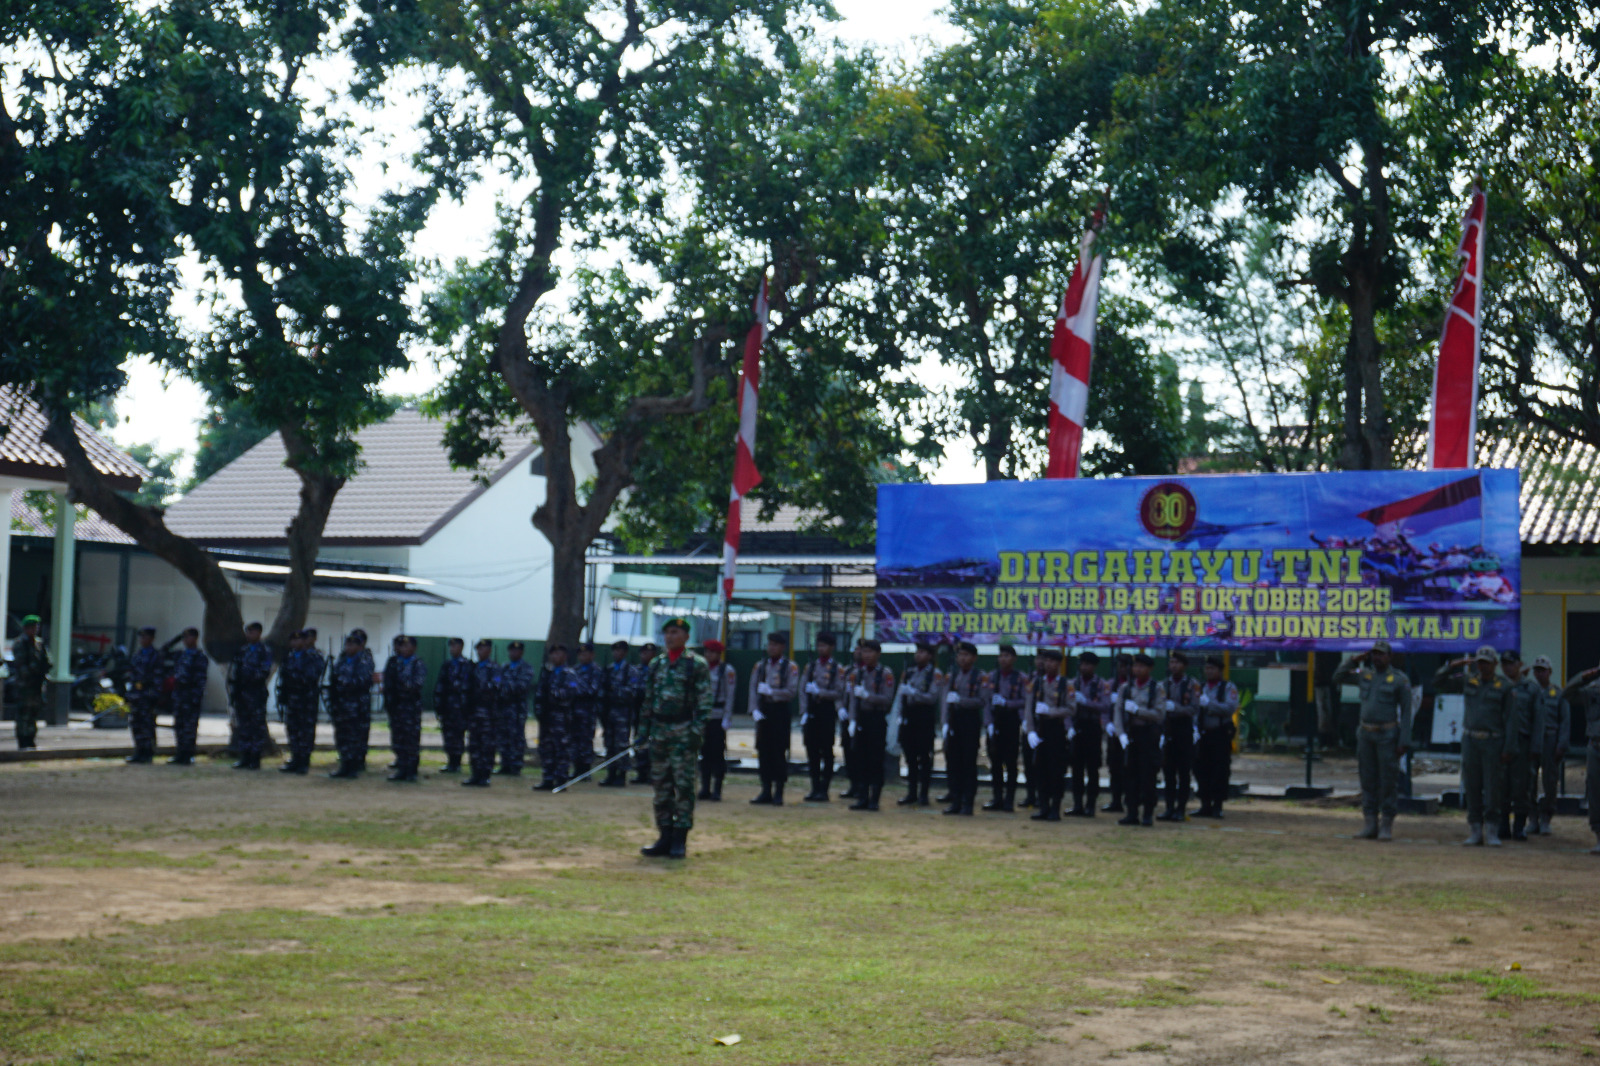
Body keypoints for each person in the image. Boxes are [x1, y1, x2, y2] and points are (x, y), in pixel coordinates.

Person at [638, 617, 712, 860]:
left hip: (682, 732)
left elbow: (704, 703)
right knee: (661, 786)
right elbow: (648, 700)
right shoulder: (657, 664)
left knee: (684, 786)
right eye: (667, 632)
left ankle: (680, 839)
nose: (669, 637)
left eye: (675, 632)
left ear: (686, 636)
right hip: (659, 732)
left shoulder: (696, 665)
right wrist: (642, 732)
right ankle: (664, 836)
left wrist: (695, 731)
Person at [1331, 640, 1413, 840]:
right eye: (1374, 654)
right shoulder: (1365, 675)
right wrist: (1353, 660)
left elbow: (1407, 712)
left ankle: (1386, 824)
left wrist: (1404, 741)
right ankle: (1369, 823)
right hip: (1366, 734)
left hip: (1387, 734)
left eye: (1381, 654)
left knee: (1387, 780)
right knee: (1367, 779)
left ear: (1389, 657)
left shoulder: (1399, 680)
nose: (1377, 658)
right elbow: (1337, 677)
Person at [1435, 646, 1513, 846]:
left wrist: (1508, 748)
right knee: (1472, 786)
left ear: (1494, 664)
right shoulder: (1469, 680)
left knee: (1493, 787)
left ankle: (1492, 830)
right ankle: (1475, 830)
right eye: (1479, 662)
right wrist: (1453, 665)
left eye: (1486, 662)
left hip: (1493, 741)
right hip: (1471, 740)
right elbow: (1438, 682)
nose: (1482, 666)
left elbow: (1511, 720)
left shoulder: (1504, 686)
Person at [1114, 653, 1164, 827]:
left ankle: (1148, 814)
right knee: (1130, 775)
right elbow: (1118, 712)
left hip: (1148, 735)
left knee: (1148, 776)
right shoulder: (1126, 688)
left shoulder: (1156, 688)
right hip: (1131, 735)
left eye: (1142, 666)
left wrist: (1138, 711)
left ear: (1149, 669)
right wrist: (1120, 734)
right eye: (1135, 666)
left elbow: (1159, 714)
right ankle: (1132, 812)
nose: (1137, 669)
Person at [847, 639, 896, 811]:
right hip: (861, 718)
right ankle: (862, 796)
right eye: (864, 652)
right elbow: (853, 699)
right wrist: (852, 720)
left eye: (870, 652)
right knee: (860, 759)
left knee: (875, 759)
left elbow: (887, 699)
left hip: (876, 718)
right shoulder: (857, 673)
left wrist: (868, 696)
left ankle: (875, 798)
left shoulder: (885, 673)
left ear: (878, 654)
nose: (866, 655)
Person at [748, 632, 797, 806]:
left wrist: (772, 692)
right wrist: (753, 709)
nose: (771, 648)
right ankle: (765, 789)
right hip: (763, 710)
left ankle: (779, 791)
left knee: (778, 751)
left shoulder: (789, 667)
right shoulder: (760, 666)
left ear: (782, 647)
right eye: (770, 644)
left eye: (775, 645)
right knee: (763, 751)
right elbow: (752, 688)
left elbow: (791, 691)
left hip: (780, 711)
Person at [799, 632, 849, 802]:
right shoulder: (811, 667)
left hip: (827, 711)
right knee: (811, 750)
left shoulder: (837, 668)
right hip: (812, 710)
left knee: (826, 750)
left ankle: (824, 788)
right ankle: (814, 787)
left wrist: (820, 692)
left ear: (831, 647)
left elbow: (838, 691)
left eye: (824, 646)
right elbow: (802, 690)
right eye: (819, 645)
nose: (821, 649)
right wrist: (804, 711)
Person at [1023, 647, 1069, 821]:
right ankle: (1043, 806)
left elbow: (1071, 709)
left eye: (1052, 661)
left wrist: (1051, 711)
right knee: (1040, 769)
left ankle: (1055, 807)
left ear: (1058, 664)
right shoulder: (1036, 682)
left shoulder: (1065, 684)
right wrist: (1030, 731)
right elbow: (1029, 707)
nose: (1047, 664)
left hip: (1055, 729)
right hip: (1039, 729)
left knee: (1056, 770)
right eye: (1046, 660)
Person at [940, 641, 986, 816]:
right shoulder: (951, 676)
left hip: (970, 720)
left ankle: (968, 802)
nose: (962, 658)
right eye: (960, 655)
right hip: (954, 720)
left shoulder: (979, 676)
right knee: (953, 762)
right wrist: (944, 722)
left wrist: (961, 701)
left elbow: (982, 700)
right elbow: (945, 701)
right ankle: (955, 800)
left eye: (966, 655)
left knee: (968, 762)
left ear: (973, 658)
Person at [897, 642, 945, 807]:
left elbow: (932, 697)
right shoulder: (909, 672)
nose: (918, 655)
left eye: (923, 652)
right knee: (910, 756)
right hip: (909, 716)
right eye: (918, 651)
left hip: (924, 717)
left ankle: (923, 794)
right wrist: (900, 715)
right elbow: (902, 698)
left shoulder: (934, 674)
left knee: (924, 757)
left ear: (930, 656)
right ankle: (911, 792)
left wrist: (914, 693)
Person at [1193, 655, 1240, 819]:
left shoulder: (1228, 687)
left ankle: (1217, 806)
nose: (1209, 671)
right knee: (1201, 769)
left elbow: (1230, 708)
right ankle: (1205, 804)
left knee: (1220, 770)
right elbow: (1194, 708)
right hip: (1203, 733)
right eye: (1207, 668)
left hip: (1220, 733)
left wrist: (1210, 705)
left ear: (1220, 670)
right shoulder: (1201, 687)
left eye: (1212, 668)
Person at [1527, 656, 1568, 836]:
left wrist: (1562, 744)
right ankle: (1532, 818)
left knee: (1550, 782)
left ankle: (1546, 818)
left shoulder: (1558, 694)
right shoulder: (1530, 691)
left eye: (1542, 670)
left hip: (1551, 740)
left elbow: (1565, 721)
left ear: (1549, 672)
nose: (1539, 673)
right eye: (1536, 670)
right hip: (1532, 740)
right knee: (1529, 781)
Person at [983, 644, 1027, 812]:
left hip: (1011, 721)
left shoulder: (1020, 678)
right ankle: (997, 798)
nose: (1003, 659)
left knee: (1010, 762)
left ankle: (1009, 799)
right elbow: (986, 701)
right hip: (995, 721)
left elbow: (1025, 700)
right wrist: (989, 724)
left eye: (1007, 656)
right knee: (995, 762)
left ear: (1014, 658)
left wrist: (1007, 703)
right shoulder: (991, 677)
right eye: (1001, 655)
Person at [1500, 651, 1539, 841]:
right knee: (1501, 786)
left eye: (1511, 663)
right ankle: (1502, 826)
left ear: (1520, 664)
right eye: (1504, 664)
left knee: (1522, 787)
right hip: (1501, 744)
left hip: (1522, 743)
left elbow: (1538, 721)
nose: (1508, 667)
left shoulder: (1531, 689)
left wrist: (1535, 748)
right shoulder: (1499, 687)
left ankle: (1519, 827)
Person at [1067, 651, 1110, 817]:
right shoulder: (1073, 683)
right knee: (1076, 768)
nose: (1084, 667)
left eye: (1088, 664)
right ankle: (1077, 804)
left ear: (1094, 666)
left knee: (1093, 768)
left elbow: (1105, 706)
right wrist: (1069, 726)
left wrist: (1086, 702)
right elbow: (1066, 707)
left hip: (1092, 726)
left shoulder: (1101, 684)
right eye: (1082, 664)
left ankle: (1090, 804)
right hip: (1077, 726)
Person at [1563, 663, 1600, 854]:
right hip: (1595, 746)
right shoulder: (1593, 689)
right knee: (1594, 792)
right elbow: (1567, 694)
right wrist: (1585, 676)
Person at [1156, 651, 1197, 822]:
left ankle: (1181, 808)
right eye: (1171, 662)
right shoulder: (1163, 684)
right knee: (1169, 771)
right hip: (1169, 728)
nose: (1174, 666)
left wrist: (1176, 708)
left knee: (1184, 772)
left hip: (1184, 729)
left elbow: (1194, 708)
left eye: (1177, 663)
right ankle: (1169, 808)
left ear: (1184, 665)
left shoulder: (1191, 684)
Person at [229, 622, 274, 771]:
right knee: (244, 726)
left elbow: (264, 671)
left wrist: (249, 678)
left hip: (255, 694)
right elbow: (234, 671)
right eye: (247, 632)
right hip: (242, 694)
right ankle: (244, 757)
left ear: (259, 633)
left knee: (256, 727)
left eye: (252, 632)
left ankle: (255, 758)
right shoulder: (242, 651)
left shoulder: (265, 651)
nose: (249, 635)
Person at [383, 635, 427, 782]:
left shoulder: (417, 664)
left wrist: (401, 684)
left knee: (411, 741)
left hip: (410, 709)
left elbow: (416, 685)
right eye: (402, 646)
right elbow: (388, 683)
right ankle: (401, 769)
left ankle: (411, 771)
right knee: (398, 740)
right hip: (397, 707)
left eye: (407, 646)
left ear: (414, 648)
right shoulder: (395, 663)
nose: (403, 649)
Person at [698, 639, 736, 802]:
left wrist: (727, 718)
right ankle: (705, 787)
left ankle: (717, 789)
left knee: (717, 754)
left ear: (719, 654)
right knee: (703, 753)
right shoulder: (701, 668)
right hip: (702, 716)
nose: (709, 655)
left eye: (712, 652)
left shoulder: (726, 670)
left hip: (718, 716)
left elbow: (730, 695)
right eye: (707, 652)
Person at [278, 630, 321, 775]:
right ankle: (295, 759)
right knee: (292, 730)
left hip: (306, 700)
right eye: (293, 640)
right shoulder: (288, 657)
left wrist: (293, 679)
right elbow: (283, 678)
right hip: (292, 700)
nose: (295, 643)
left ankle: (304, 761)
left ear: (305, 641)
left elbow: (311, 676)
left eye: (299, 640)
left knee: (306, 732)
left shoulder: (314, 657)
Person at [533, 643, 573, 790]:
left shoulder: (569, 674)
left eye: (559, 653)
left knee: (561, 749)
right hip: (547, 717)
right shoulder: (547, 673)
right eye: (553, 654)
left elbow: (570, 692)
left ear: (565, 656)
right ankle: (547, 778)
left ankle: (561, 779)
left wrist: (553, 692)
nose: (555, 656)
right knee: (546, 748)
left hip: (561, 717)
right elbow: (539, 694)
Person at [462, 639, 501, 787]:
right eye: (478, 649)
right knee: (474, 744)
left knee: (487, 745)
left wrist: (480, 686)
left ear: (489, 651)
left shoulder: (494, 668)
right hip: (474, 712)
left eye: (483, 649)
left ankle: (485, 775)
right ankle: (475, 773)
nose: (480, 652)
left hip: (488, 713)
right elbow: (466, 687)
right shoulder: (473, 668)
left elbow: (495, 687)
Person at [167, 627, 209, 765]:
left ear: (195, 638)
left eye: (188, 637)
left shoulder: (200, 657)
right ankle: (179, 754)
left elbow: (201, 680)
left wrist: (196, 698)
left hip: (191, 697)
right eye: (184, 638)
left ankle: (189, 755)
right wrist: (176, 639)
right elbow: (162, 652)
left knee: (190, 728)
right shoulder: (180, 654)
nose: (185, 640)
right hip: (179, 696)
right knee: (179, 726)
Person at [432, 638, 472, 773]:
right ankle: (450, 761)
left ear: (461, 647)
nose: (452, 649)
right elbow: (440, 685)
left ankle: (457, 762)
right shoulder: (447, 665)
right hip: (447, 707)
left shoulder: (467, 665)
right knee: (447, 734)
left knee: (458, 735)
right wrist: (438, 704)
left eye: (455, 646)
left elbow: (468, 686)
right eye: (451, 646)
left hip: (461, 707)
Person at [9, 615, 49, 750]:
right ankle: (23, 740)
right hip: (25, 685)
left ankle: (31, 739)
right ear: (26, 628)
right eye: (32, 627)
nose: (35, 630)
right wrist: (33, 675)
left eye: (36, 627)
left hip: (37, 685)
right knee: (23, 713)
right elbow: (21, 665)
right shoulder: (20, 644)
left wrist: (43, 671)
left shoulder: (39, 644)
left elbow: (47, 661)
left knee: (33, 713)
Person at [600, 641, 635, 787]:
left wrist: (615, 691)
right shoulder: (608, 670)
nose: (617, 653)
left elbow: (633, 690)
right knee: (609, 743)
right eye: (614, 651)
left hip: (623, 712)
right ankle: (611, 773)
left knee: (621, 744)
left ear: (625, 652)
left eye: (620, 651)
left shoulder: (630, 671)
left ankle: (622, 774)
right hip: (609, 711)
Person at [1102, 653, 1134, 813]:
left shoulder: (1134, 685)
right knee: (1114, 767)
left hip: (1131, 731)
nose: (1122, 669)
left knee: (1130, 768)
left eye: (1125, 666)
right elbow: (1104, 708)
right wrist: (1107, 723)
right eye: (1120, 666)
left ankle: (1131, 799)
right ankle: (1116, 800)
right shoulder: (1111, 684)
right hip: (1114, 733)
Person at [125, 626, 162, 764]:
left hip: (147, 696)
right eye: (141, 637)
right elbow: (132, 676)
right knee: (136, 724)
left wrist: (153, 696)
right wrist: (130, 693)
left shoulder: (155, 656)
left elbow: (158, 678)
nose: (142, 639)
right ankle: (138, 751)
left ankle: (148, 752)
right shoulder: (138, 655)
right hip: (136, 696)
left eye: (145, 637)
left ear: (151, 638)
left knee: (147, 725)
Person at [569, 642, 603, 780]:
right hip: (574, 711)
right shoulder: (574, 670)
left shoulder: (596, 671)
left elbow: (592, 691)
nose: (583, 656)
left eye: (586, 653)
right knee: (574, 741)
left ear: (592, 655)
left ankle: (585, 770)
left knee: (586, 741)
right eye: (581, 654)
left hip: (588, 712)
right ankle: (576, 768)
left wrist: (575, 689)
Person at [840, 642, 866, 799]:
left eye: (862, 650)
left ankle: (863, 785)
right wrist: (840, 707)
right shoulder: (847, 670)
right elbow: (839, 690)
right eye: (857, 649)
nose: (859, 652)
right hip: (847, 716)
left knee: (862, 752)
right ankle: (853, 784)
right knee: (848, 750)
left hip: (863, 715)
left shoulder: (873, 672)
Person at [630, 643, 658, 784]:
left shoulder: (659, 670)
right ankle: (641, 772)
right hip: (639, 711)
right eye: (643, 653)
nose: (646, 656)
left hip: (654, 712)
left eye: (650, 653)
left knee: (654, 743)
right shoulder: (635, 670)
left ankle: (653, 773)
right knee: (639, 740)